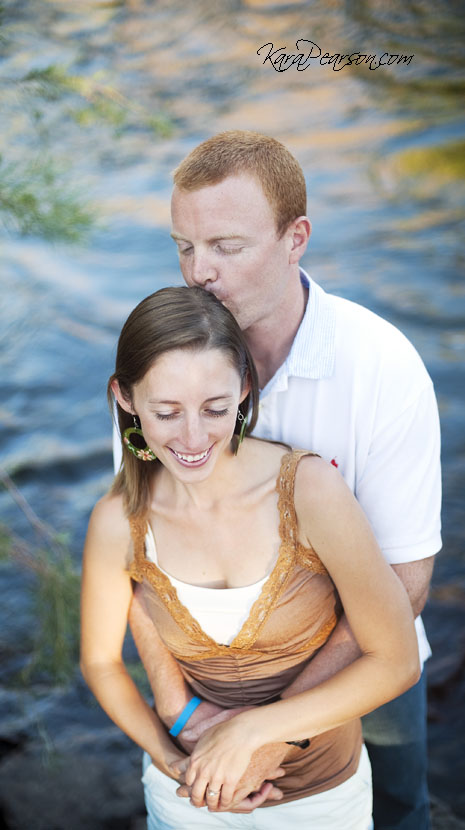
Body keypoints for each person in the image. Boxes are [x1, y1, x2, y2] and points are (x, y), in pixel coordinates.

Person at [119, 131, 442, 830]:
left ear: (295, 237)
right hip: (208, 680)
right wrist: (182, 710)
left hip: (365, 667)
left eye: (225, 247)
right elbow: (133, 560)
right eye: (183, 246)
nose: (197, 271)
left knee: (397, 808)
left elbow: (406, 582)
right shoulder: (156, 372)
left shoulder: (381, 368)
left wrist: (272, 729)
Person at [82, 284, 419, 830]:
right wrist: (172, 763)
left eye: (215, 409)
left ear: (243, 389)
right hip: (186, 797)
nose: (194, 438)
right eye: (166, 413)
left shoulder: (308, 491)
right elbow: (100, 661)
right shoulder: (117, 519)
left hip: (321, 798)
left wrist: (252, 731)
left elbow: (396, 659)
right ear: (125, 398)